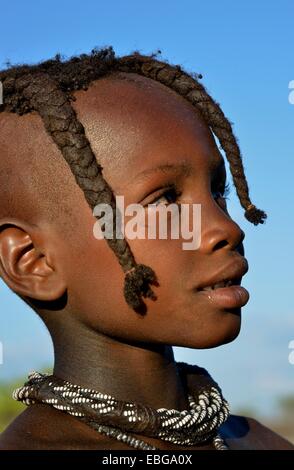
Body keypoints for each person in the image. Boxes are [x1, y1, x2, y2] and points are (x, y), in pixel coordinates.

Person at [0, 47, 292, 450]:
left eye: (217, 190)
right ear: (34, 262)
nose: (226, 229)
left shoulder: (258, 441)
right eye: (164, 201)